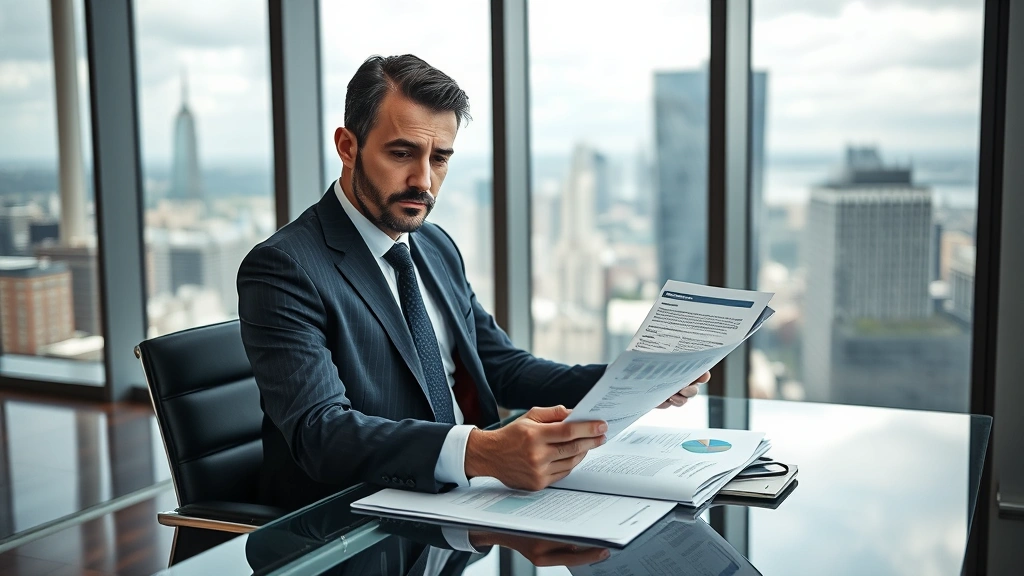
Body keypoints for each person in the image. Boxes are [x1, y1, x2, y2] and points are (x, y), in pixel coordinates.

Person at [237, 54, 709, 511]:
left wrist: (632, 381)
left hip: (473, 506)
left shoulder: (433, 246)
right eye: (401, 153)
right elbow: (321, 434)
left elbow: (503, 369)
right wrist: (482, 452)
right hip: (356, 521)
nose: (422, 180)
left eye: (440, 158)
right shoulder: (284, 268)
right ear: (348, 147)